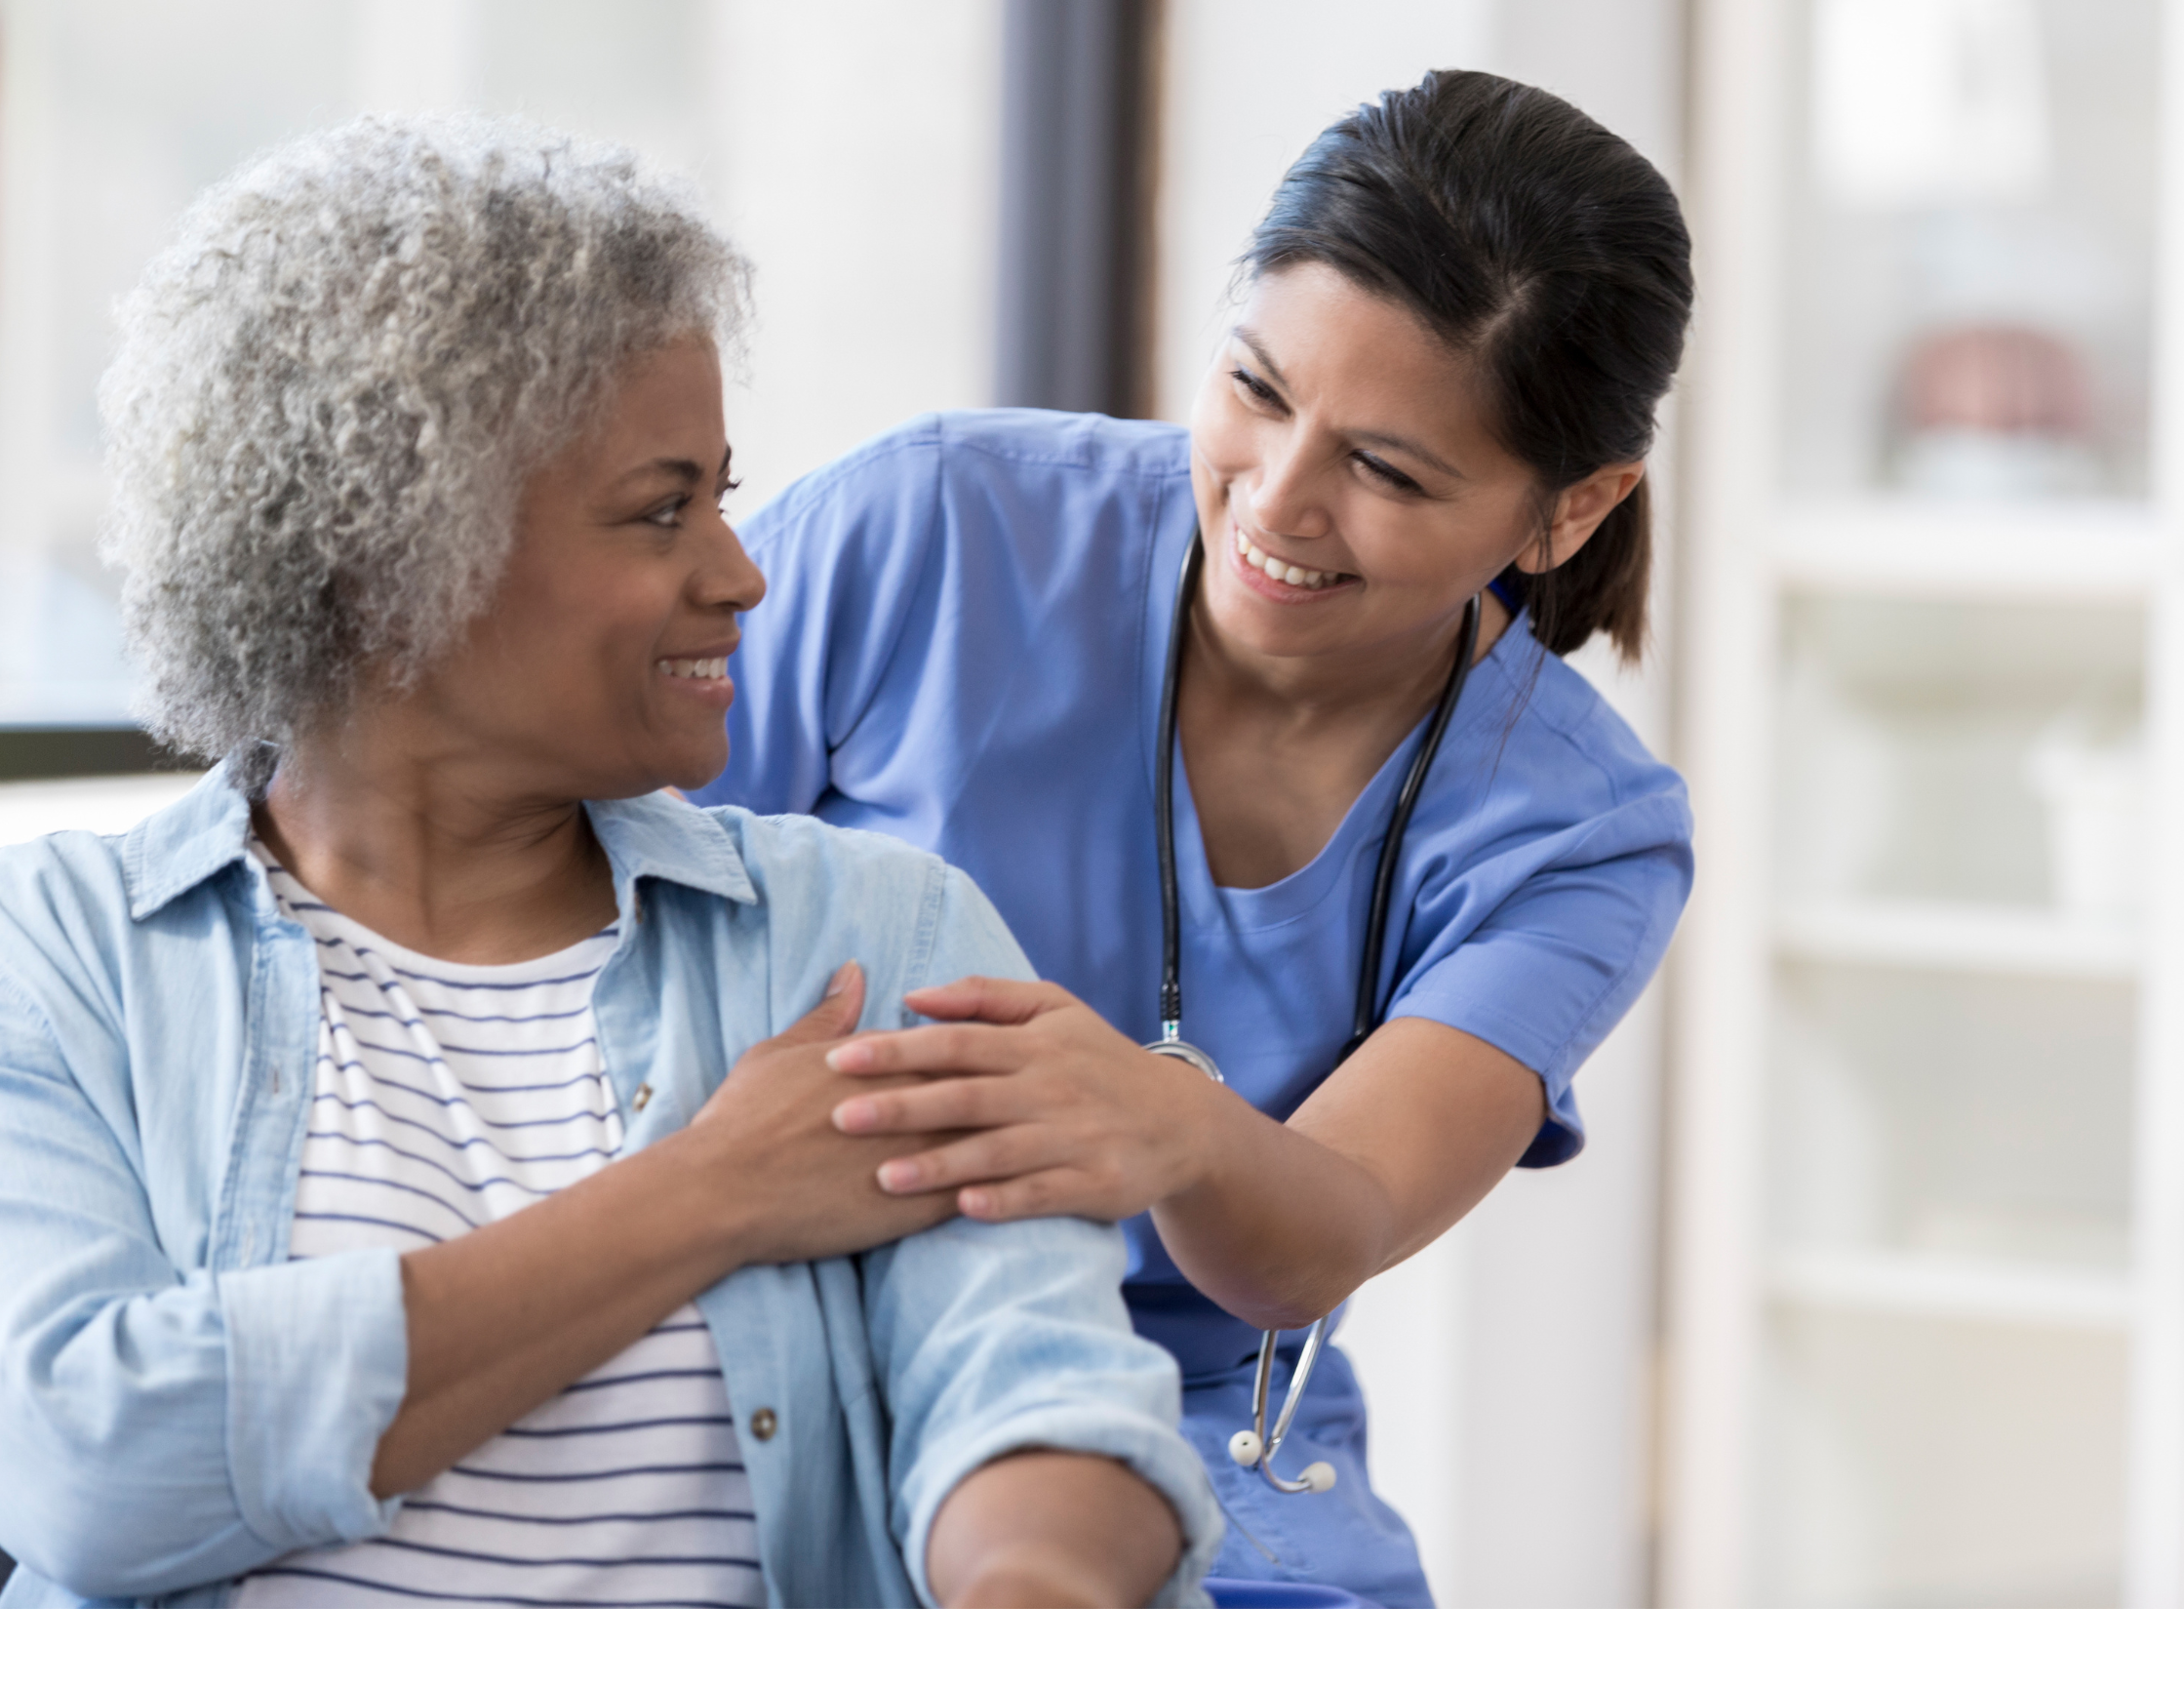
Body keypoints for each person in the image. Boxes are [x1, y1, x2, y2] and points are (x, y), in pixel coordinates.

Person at [0, 114, 1218, 1609]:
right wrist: (710, 1192)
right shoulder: (62, 959)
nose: (741, 571)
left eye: (723, 490)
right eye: (662, 509)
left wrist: (1034, 1597)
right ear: (395, 567)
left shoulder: (868, 934)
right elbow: (88, 1471)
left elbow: (1033, 1385)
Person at [692, 71, 1695, 1606]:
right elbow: (580, 881)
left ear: (1569, 511)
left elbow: (1320, 1238)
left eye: (1387, 470)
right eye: (1256, 390)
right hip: (763, 1310)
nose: (1275, 503)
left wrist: (1175, 1125)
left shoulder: (1582, 833)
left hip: (1193, 1410)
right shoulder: (943, 526)